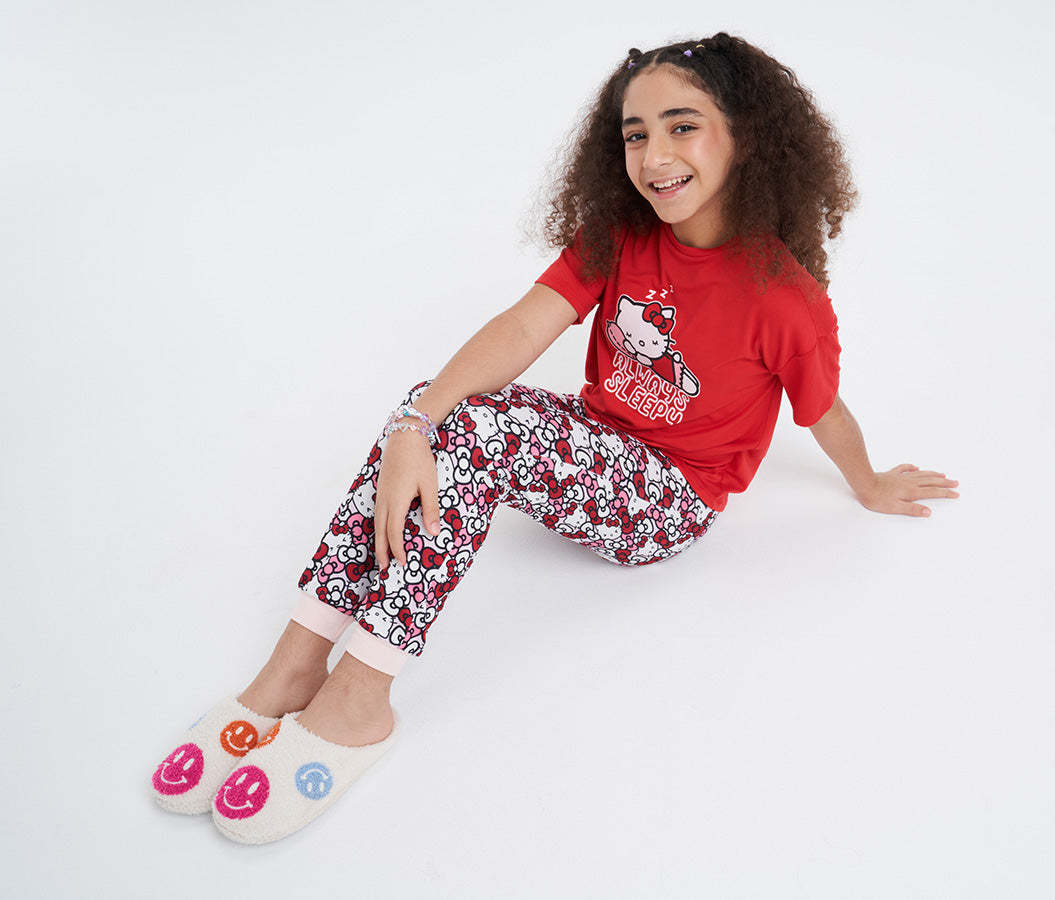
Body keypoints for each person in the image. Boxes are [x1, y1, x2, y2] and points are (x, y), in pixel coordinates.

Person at [150, 32, 960, 844]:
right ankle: (296, 662)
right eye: (635, 134)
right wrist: (412, 428)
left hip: (666, 500)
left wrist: (869, 482)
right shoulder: (621, 235)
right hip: (595, 441)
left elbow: (822, 411)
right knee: (432, 406)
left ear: (745, 136)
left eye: (682, 126)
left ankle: (360, 697)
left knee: (474, 427)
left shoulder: (783, 298)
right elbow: (522, 326)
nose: (654, 155)